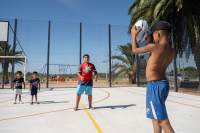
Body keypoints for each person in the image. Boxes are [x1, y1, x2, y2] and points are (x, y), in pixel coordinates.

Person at [131, 21, 175, 133]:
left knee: (163, 121)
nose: (153, 37)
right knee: (155, 119)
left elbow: (135, 50)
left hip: (154, 86)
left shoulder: (154, 47)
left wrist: (133, 35)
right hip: (163, 84)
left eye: (153, 35)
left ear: (158, 34)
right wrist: (150, 42)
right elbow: (156, 55)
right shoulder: (171, 51)